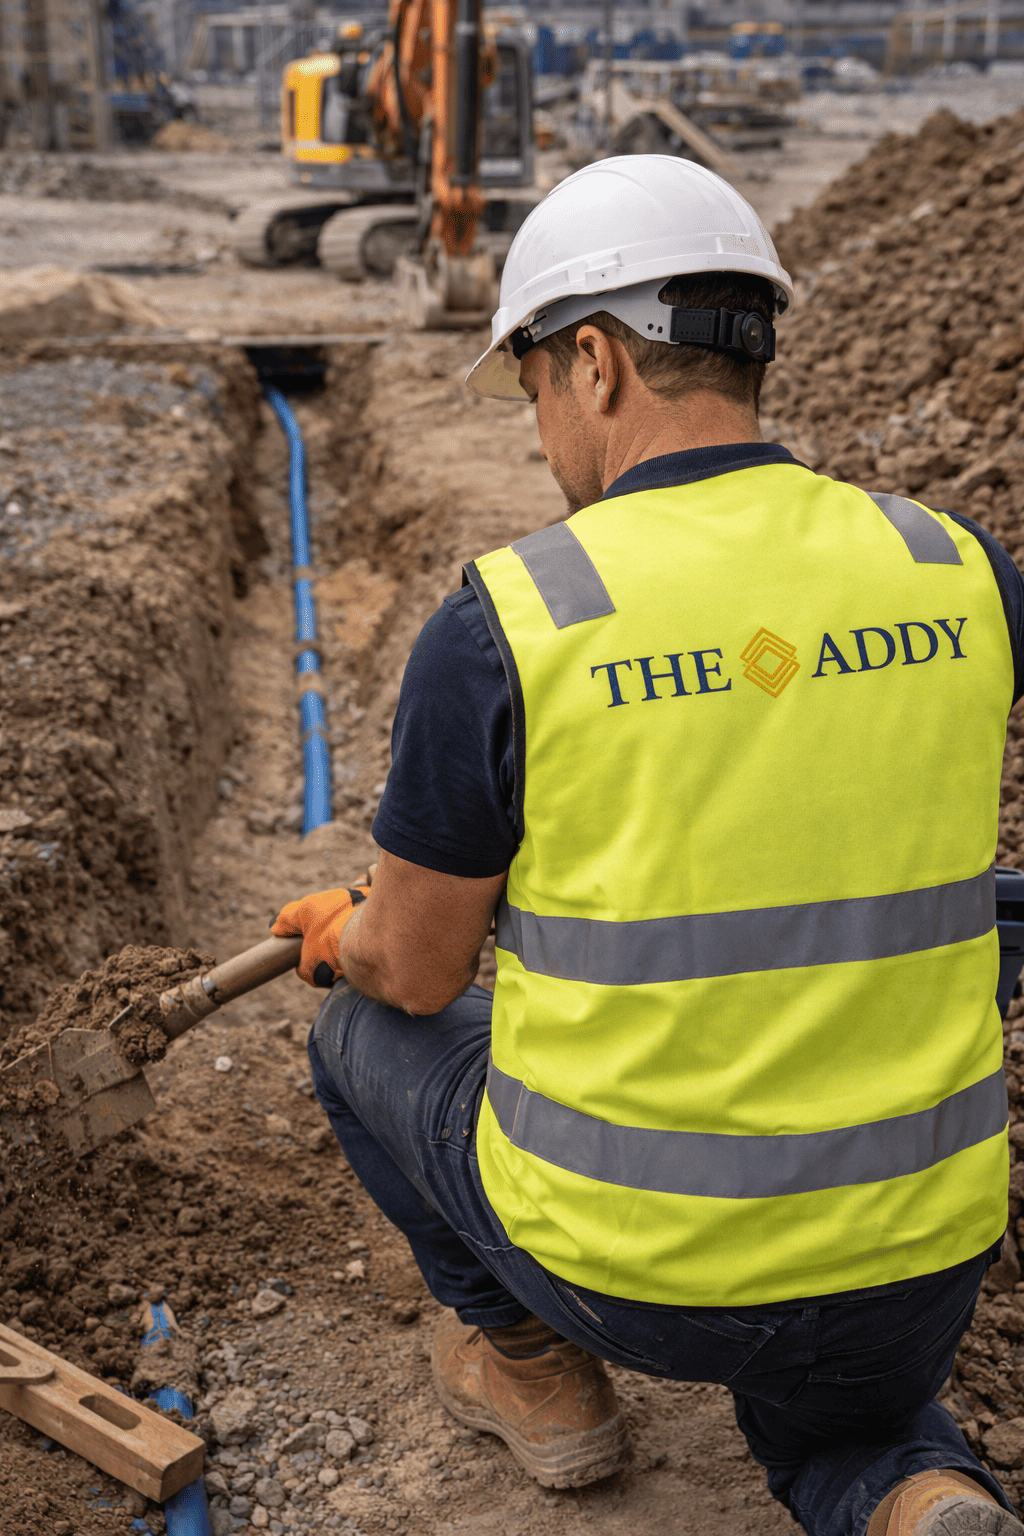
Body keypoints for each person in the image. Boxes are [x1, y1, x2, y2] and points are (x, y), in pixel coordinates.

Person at [272, 155, 1024, 1536]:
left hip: (632, 1268)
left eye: (537, 386)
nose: (539, 427)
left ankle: (538, 1374)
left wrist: (348, 933)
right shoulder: (958, 569)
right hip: (921, 1249)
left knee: (356, 1040)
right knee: (849, 1410)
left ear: (600, 364)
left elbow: (422, 972)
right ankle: (912, 1495)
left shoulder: (515, 620)